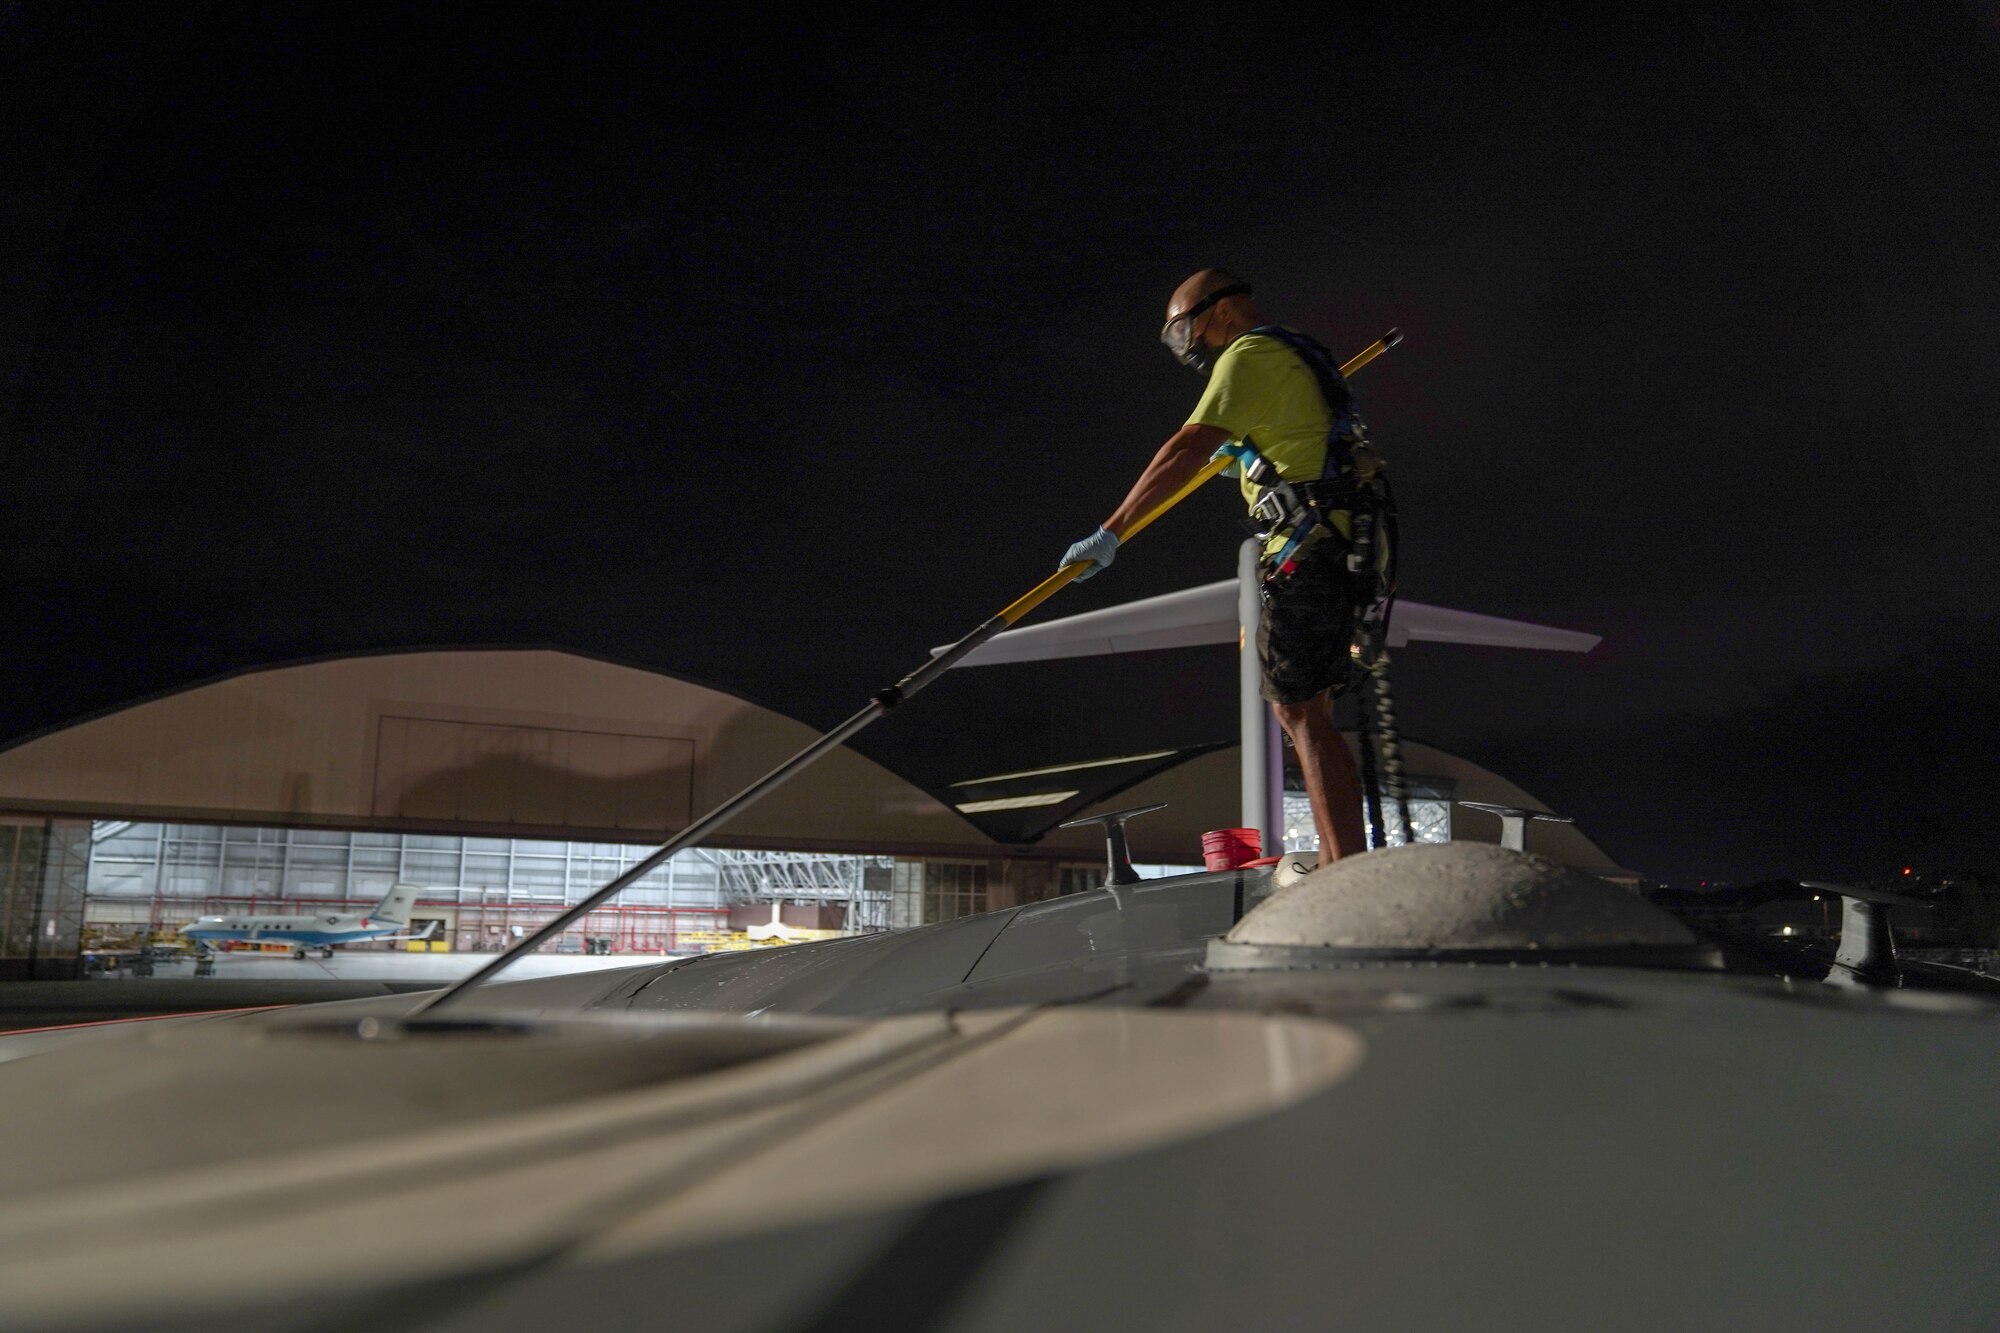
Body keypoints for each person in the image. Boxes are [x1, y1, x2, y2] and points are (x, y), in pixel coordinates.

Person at [1059, 269, 1376, 863]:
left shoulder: (1249, 352)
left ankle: (1344, 872)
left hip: (1308, 546)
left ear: (1223, 311)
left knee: (1298, 709)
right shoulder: (1298, 354)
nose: (1192, 350)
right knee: (1312, 711)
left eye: (1188, 332)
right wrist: (1252, 454)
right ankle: (1345, 861)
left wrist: (1113, 531)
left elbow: (1185, 448)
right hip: (1346, 539)